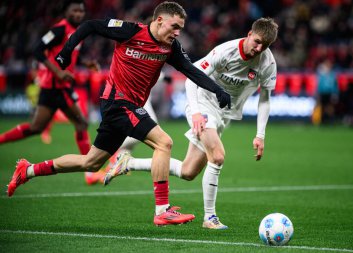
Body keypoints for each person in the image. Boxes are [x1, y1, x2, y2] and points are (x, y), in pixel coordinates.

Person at [7, 1, 231, 227]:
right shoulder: (130, 31)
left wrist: (217, 89)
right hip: (118, 102)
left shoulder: (170, 48)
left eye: (180, 28)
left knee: (91, 162)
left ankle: (27, 170)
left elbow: (191, 70)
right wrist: (66, 51)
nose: (177, 32)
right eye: (174, 26)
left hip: (124, 106)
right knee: (164, 142)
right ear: (159, 20)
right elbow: (90, 26)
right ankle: (162, 210)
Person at [103, 17, 279, 229]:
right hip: (202, 104)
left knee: (188, 171)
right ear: (250, 34)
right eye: (257, 41)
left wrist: (260, 135)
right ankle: (210, 218)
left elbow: (265, 99)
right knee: (218, 156)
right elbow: (190, 79)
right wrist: (196, 112)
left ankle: (127, 163)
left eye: (265, 45)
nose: (258, 48)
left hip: (223, 114)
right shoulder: (225, 51)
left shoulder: (267, 62)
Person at [0, 0, 92, 166]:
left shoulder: (76, 31)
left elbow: (69, 53)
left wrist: (85, 63)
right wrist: (58, 72)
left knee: (37, 127)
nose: (78, 14)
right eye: (75, 11)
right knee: (81, 123)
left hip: (58, 86)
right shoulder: (59, 29)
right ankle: (90, 169)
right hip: (55, 85)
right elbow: (37, 49)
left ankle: (90, 169)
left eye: (81, 11)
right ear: (66, 12)